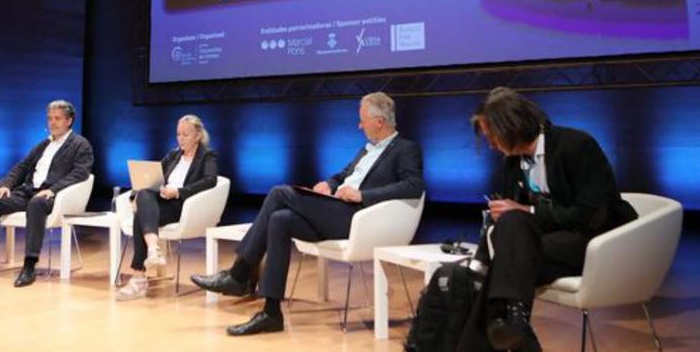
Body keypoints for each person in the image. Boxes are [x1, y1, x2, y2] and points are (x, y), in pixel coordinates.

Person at [191, 91, 424, 335]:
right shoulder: (366, 150)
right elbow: (342, 175)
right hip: (338, 209)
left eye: (363, 119)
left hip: (357, 218)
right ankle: (271, 313)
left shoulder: (406, 149)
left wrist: (362, 195)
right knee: (280, 219)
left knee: (279, 193)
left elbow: (413, 185)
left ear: (379, 121)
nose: (359, 125)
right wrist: (329, 185)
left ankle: (239, 274)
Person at [468, 87, 635, 351]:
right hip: (547, 243)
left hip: (595, 240)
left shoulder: (577, 145)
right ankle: (515, 323)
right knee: (512, 232)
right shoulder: (512, 163)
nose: (490, 145)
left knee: (508, 259)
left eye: (493, 136)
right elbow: (515, 221)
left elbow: (592, 215)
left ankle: (513, 330)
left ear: (511, 126)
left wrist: (528, 212)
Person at [0, 100, 93, 288]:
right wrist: (5, 185)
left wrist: (53, 189)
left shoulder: (80, 145)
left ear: (69, 120)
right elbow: (22, 167)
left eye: (57, 118)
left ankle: (29, 266)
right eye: (50, 118)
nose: (52, 123)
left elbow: (81, 173)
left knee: (36, 203)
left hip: (54, 196)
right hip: (27, 191)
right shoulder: (44, 145)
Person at [115, 114, 219, 301]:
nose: (180, 138)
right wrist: (134, 196)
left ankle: (139, 277)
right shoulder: (173, 154)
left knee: (141, 214)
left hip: (184, 206)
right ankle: (152, 251)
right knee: (144, 197)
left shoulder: (208, 156)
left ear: (197, 135)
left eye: (185, 135)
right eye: (178, 134)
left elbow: (210, 181)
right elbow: (152, 178)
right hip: (161, 202)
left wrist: (178, 192)